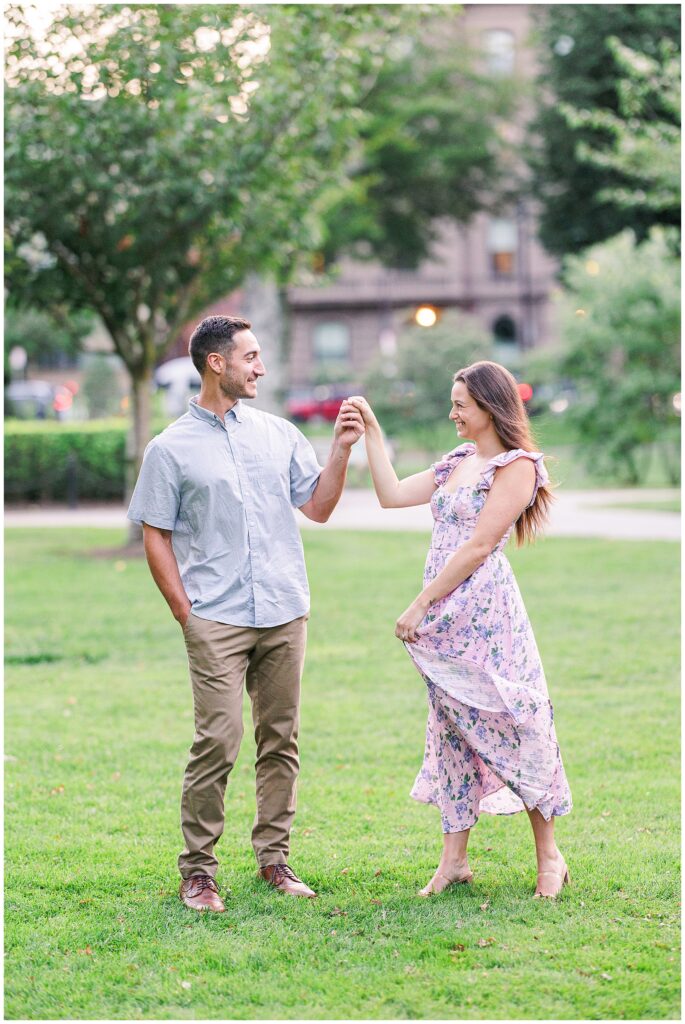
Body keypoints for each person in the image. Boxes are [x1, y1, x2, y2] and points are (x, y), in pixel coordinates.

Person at [128, 315, 364, 912]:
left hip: (285, 611)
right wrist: (187, 613)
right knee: (218, 740)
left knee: (280, 739)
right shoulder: (169, 449)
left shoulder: (280, 434)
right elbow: (154, 535)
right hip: (216, 619)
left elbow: (318, 506)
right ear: (217, 363)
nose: (260, 367)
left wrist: (339, 450)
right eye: (251, 357)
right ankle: (198, 872)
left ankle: (274, 861)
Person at [344, 361, 572, 899]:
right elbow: (392, 494)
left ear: (489, 408)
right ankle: (454, 862)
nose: (452, 413)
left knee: (518, 721)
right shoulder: (458, 462)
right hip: (446, 620)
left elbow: (477, 546)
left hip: (486, 616)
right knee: (450, 729)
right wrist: (372, 434)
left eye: (460, 405)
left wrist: (419, 603)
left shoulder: (516, 467)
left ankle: (550, 855)